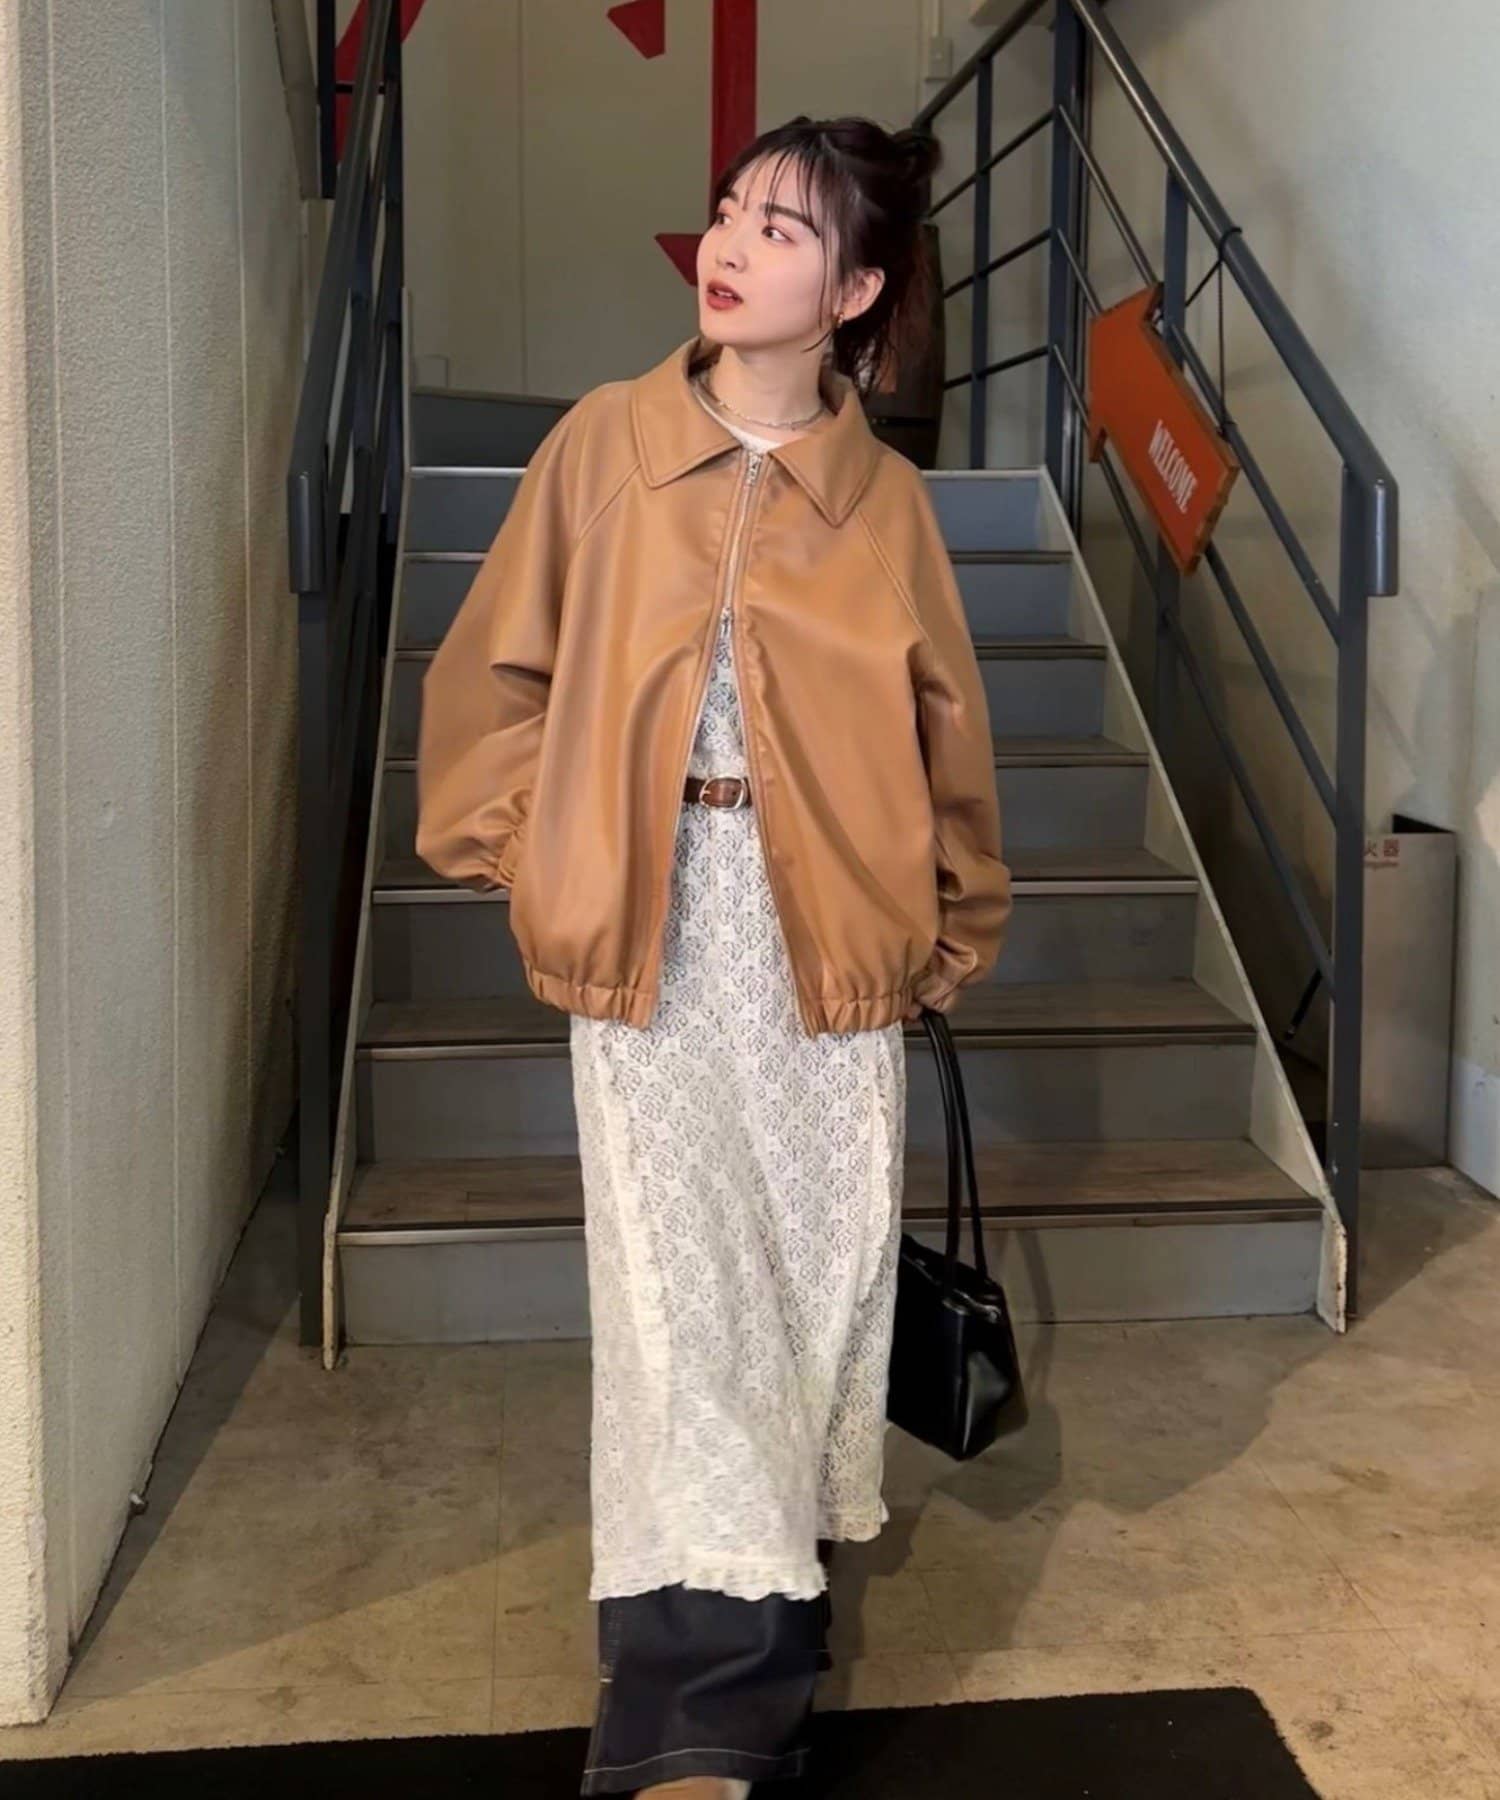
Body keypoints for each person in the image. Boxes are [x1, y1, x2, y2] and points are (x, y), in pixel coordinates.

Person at [415, 114, 1012, 1799]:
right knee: (677, 1298)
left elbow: (946, 729)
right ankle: (697, 1697)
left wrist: (948, 919)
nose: (733, 245)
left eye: (785, 228)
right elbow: (498, 672)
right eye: (732, 211)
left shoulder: (884, 502)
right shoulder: (605, 444)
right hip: (658, 928)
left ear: (859, 290)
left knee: (814, 1280)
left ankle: (776, 1590)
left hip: (826, 946)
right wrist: (532, 851)